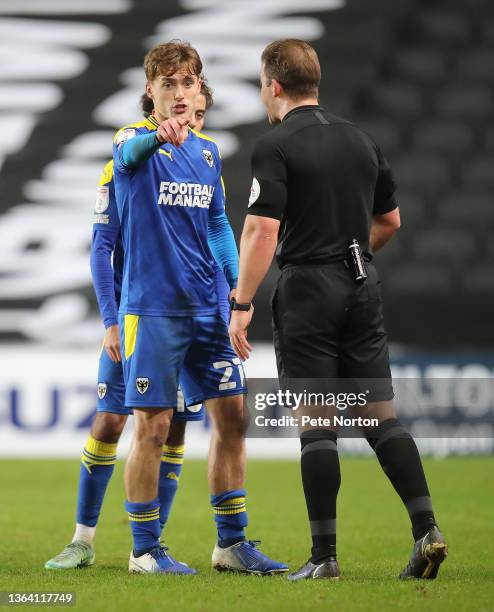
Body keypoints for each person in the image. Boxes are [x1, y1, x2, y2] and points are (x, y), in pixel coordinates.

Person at [229, 38, 447, 581]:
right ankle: (427, 530)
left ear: (274, 86)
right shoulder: (361, 139)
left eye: (262, 84)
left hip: (308, 290)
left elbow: (261, 230)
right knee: (380, 419)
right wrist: (351, 258)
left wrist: (240, 304)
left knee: (317, 425)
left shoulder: (275, 146)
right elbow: (391, 221)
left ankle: (324, 557)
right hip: (362, 285)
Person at [113, 40, 287, 575]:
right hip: (153, 311)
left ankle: (231, 543)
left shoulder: (208, 153)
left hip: (206, 313)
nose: (181, 94)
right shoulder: (132, 139)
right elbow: (128, 158)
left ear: (199, 88)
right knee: (154, 428)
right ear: (151, 92)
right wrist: (156, 138)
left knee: (232, 420)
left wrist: (238, 294)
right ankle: (144, 550)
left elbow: (216, 226)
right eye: (169, 84)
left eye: (188, 83)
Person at [45, 85, 220, 572]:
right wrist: (110, 321)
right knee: (110, 420)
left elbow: (215, 236)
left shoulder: (204, 167)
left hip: (187, 317)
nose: (197, 123)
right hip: (135, 315)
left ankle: (150, 545)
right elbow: (102, 249)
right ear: (155, 105)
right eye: (192, 112)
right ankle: (82, 539)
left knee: (175, 429)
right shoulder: (124, 163)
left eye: (203, 114)